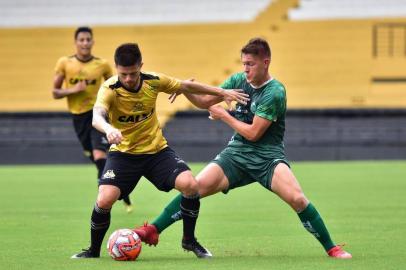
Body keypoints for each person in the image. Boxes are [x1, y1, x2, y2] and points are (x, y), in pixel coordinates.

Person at [134, 37, 352, 259]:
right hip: (237, 154)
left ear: (265, 62)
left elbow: (254, 133)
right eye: (244, 63)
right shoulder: (239, 80)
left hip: (267, 157)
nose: (246, 69)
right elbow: (204, 102)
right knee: (195, 188)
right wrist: (186, 90)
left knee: (297, 199)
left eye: (251, 64)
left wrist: (224, 116)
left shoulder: (274, 92)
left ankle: (332, 248)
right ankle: (153, 230)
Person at [70, 43, 249, 259]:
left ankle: (189, 241)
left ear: (141, 66)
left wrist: (222, 92)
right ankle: (93, 250)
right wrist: (108, 129)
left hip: (156, 152)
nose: (128, 79)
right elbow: (96, 116)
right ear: (117, 68)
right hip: (123, 154)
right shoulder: (110, 89)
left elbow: (185, 86)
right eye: (123, 74)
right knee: (105, 199)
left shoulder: (153, 81)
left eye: (133, 73)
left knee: (190, 185)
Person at [52, 26, 133, 212]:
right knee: (95, 158)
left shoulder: (102, 65)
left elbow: (116, 86)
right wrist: (73, 90)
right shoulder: (65, 63)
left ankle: (106, 196)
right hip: (78, 117)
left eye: (88, 39)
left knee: (99, 155)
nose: (85, 43)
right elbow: (55, 92)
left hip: (98, 114)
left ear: (92, 42)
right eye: (81, 40)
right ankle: (121, 190)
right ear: (76, 42)